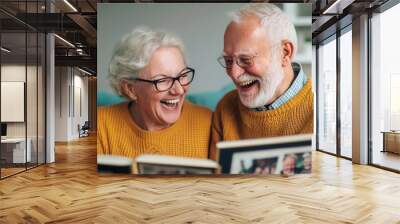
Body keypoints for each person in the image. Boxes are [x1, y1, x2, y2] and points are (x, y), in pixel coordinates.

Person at [210, 3, 313, 159]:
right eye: (228, 61)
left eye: (245, 59)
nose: (233, 73)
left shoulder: (320, 109)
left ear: (284, 53)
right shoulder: (225, 108)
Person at [98, 27, 212, 159]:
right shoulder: (102, 125)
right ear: (130, 89)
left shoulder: (208, 122)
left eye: (182, 75)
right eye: (162, 80)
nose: (179, 90)